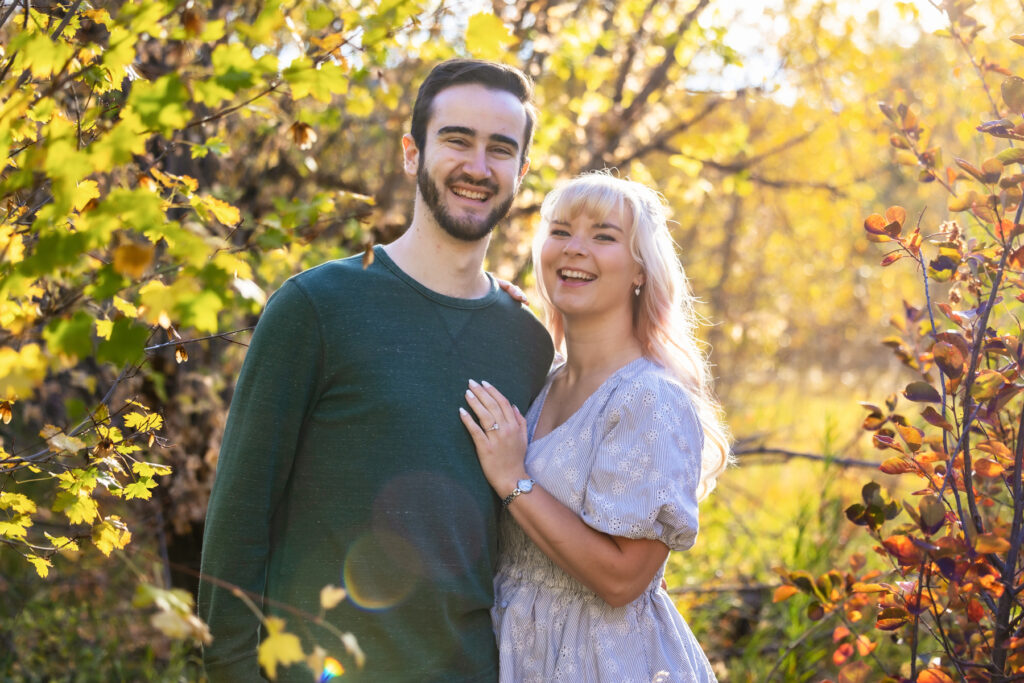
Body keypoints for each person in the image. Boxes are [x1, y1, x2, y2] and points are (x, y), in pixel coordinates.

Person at [198, 59, 554, 682]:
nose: (478, 166)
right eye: (457, 139)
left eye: (501, 149)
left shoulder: (527, 342)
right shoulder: (316, 307)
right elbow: (239, 516)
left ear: (521, 172)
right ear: (412, 153)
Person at [459, 172, 730, 682]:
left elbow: (623, 578)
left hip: (603, 660)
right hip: (518, 646)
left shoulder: (649, 399)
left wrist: (514, 480)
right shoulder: (544, 380)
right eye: (560, 232)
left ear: (640, 271)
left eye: (603, 236)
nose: (574, 249)